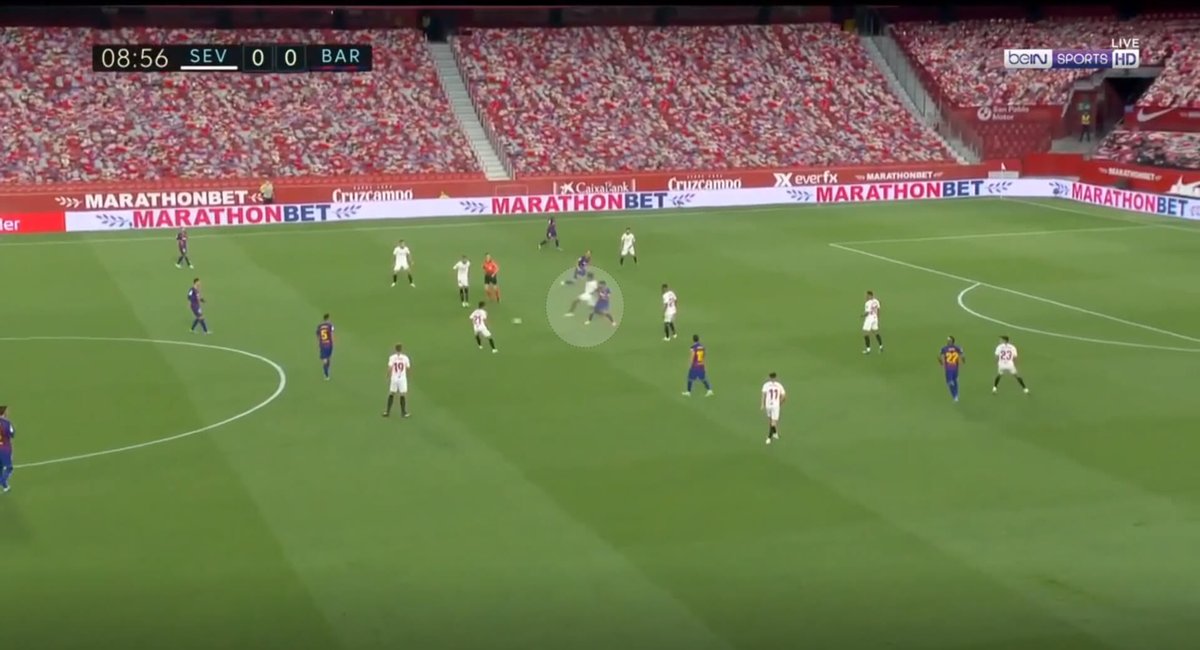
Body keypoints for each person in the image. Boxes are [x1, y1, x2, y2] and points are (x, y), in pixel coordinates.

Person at [382, 344, 411, 418]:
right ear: (401, 349)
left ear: (395, 349)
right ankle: (403, 412)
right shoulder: (405, 358)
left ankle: (387, 411)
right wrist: (408, 375)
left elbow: (390, 367)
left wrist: (387, 375)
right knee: (402, 394)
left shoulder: (392, 357)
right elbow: (408, 368)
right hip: (402, 378)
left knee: (392, 393)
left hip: (394, 378)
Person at [761, 372, 787, 445]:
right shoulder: (779, 385)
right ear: (776, 377)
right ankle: (772, 435)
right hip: (775, 406)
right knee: (773, 422)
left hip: (768, 405)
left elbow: (763, 395)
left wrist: (762, 404)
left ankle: (771, 436)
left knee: (771, 421)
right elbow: (784, 396)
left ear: (769, 377)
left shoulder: (766, 385)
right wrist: (779, 403)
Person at [939, 336, 965, 402]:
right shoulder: (957, 348)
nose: (948, 341)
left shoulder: (944, 348)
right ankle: (956, 396)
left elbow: (939, 356)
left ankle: (955, 396)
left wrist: (941, 363)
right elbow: (962, 355)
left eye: (948, 340)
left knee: (950, 382)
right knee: (955, 381)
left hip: (948, 368)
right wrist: (963, 361)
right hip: (955, 367)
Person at [0, 405, 14, 493]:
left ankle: (5, 487)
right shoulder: (7, 423)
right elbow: (12, 434)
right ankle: (2, 481)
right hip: (4, 449)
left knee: (0, 468)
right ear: (4, 413)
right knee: (9, 468)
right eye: (7, 411)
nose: (8, 412)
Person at [316, 315, 334, 380]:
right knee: (328, 358)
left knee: (325, 359)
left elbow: (317, 335)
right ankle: (326, 373)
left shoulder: (319, 326)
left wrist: (319, 343)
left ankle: (326, 374)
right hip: (329, 344)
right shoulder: (330, 325)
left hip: (323, 345)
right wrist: (333, 342)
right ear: (328, 319)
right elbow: (332, 334)